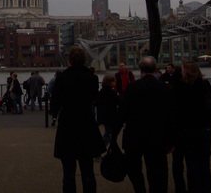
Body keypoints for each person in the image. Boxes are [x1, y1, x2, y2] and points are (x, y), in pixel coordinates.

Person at [111, 55, 176, 193]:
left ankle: (140, 189)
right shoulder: (166, 89)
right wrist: (171, 140)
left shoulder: (132, 88)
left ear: (140, 70)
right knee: (158, 170)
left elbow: (122, 114)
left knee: (134, 169)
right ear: (155, 69)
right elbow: (171, 116)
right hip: (158, 137)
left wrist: (113, 135)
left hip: (134, 137)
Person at [51, 45, 105, 193]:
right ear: (84, 60)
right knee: (88, 171)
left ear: (69, 60)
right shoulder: (92, 78)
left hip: (67, 128)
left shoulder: (62, 78)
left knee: (68, 173)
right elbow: (94, 98)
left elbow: (54, 104)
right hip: (86, 126)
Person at [173, 60, 211, 193]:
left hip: (187, 131)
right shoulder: (204, 84)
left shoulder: (179, 87)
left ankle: (194, 188)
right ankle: (207, 188)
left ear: (185, 72)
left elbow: (175, 109)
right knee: (204, 163)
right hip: (204, 129)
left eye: (182, 70)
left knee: (191, 164)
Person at [96, 74, 119, 147]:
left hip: (103, 116)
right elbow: (118, 102)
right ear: (111, 82)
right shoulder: (112, 93)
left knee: (108, 133)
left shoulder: (101, 92)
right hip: (111, 116)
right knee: (108, 134)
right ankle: (99, 149)